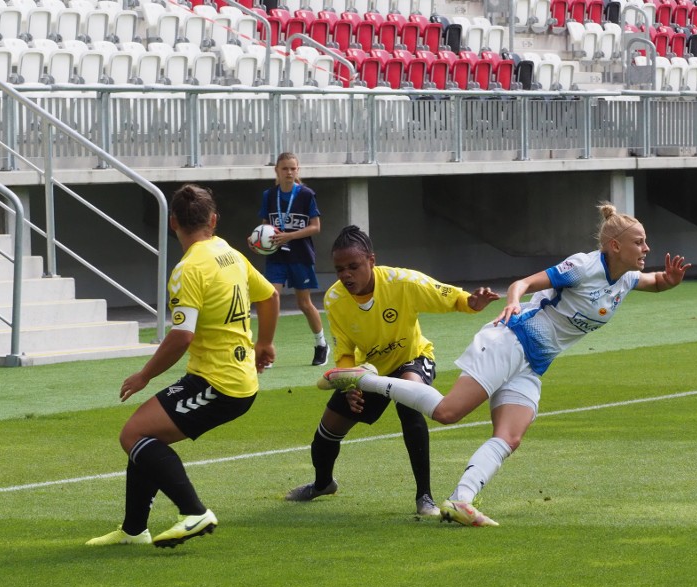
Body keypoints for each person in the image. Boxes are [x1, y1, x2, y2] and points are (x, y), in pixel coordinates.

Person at [318, 203, 692, 526]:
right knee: (448, 412)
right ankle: (363, 380)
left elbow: (655, 280)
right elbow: (524, 283)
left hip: (534, 362)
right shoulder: (583, 266)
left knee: (510, 436)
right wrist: (513, 302)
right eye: (639, 241)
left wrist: (671, 281)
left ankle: (460, 500)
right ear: (615, 245)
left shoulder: (625, 277)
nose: (647, 247)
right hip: (510, 341)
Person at [87, 184, 279, 548]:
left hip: (220, 383)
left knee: (132, 435)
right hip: (231, 378)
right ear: (214, 220)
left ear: (172, 221)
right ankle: (133, 530)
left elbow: (182, 336)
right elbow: (270, 296)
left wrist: (144, 375)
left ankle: (194, 512)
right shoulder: (231, 254)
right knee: (145, 433)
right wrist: (265, 343)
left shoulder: (188, 269)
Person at [286, 225, 500, 516]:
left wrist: (472, 303)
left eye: (353, 266)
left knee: (409, 400)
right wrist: (350, 386)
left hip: (413, 358)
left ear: (371, 261)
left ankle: (424, 497)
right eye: (339, 269)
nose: (346, 275)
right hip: (371, 369)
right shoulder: (335, 299)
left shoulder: (402, 281)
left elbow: (448, 296)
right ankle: (323, 483)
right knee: (326, 433)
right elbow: (345, 352)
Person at [255, 151, 329, 366]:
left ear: (298, 170)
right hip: (276, 257)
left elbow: (316, 227)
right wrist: (256, 241)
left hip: (300, 255)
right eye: (284, 168)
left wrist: (289, 236)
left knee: (304, 303)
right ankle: (267, 350)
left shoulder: (306, 194)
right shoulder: (269, 195)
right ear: (276, 170)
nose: (289, 172)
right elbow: (264, 227)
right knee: (270, 299)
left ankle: (321, 344)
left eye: (292, 168)